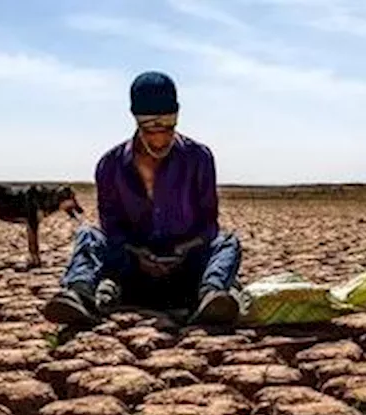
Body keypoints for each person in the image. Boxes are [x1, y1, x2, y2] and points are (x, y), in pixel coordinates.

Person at [42, 71, 242, 327]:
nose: (160, 139)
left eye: (169, 127)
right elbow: (111, 229)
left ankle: (211, 296)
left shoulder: (199, 158)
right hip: (133, 268)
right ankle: (79, 295)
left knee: (227, 242)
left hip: (185, 267)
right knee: (88, 236)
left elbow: (208, 225)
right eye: (150, 129)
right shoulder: (110, 165)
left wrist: (183, 250)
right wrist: (139, 254)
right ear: (136, 119)